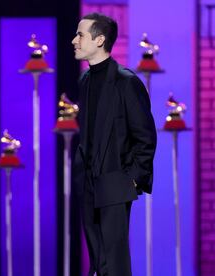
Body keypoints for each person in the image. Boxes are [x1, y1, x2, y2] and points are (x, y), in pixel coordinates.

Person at [71, 13, 157, 276]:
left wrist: (132, 178)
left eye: (80, 35)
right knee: (98, 259)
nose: (74, 40)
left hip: (115, 179)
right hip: (88, 179)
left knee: (115, 260)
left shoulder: (126, 82)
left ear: (99, 40)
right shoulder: (85, 80)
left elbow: (145, 135)